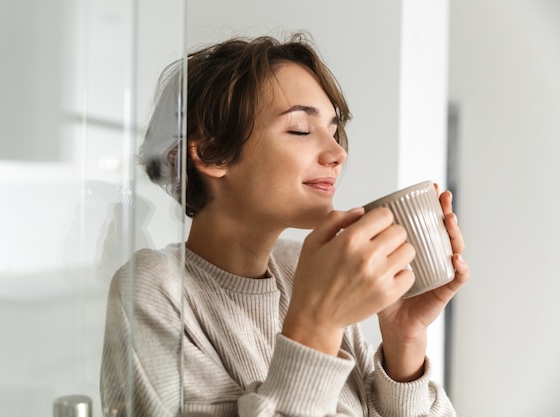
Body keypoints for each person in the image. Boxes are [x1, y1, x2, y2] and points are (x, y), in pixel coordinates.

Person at [100, 32, 469, 417]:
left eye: (334, 129)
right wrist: (317, 323)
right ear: (211, 152)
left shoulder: (303, 269)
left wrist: (403, 338)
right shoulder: (153, 289)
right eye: (300, 129)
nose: (338, 153)